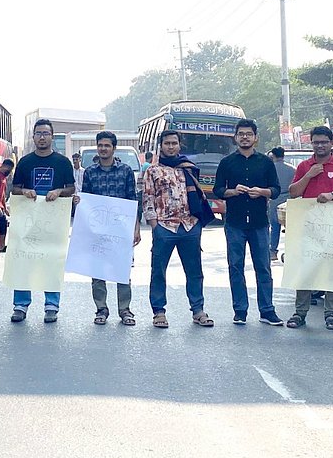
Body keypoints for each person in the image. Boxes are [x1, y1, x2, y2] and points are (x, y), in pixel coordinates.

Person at [213, 119, 282, 326]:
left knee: (263, 267)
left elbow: (276, 189)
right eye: (241, 134)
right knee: (236, 266)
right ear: (235, 138)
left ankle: (267, 310)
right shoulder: (226, 163)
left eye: (248, 134)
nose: (245, 137)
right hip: (234, 222)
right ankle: (240, 310)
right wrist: (232, 192)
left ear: (255, 138)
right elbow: (217, 190)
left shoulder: (265, 162)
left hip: (260, 222)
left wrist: (262, 192)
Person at [287, 125, 333, 331]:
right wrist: (309, 175)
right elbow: (293, 193)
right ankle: (300, 313)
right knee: (305, 268)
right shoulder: (304, 166)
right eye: (316, 142)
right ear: (311, 143)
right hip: (308, 225)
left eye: (324, 142)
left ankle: (331, 313)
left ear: (331, 143)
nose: (320, 145)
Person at [142, 128, 212, 328]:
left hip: (189, 225)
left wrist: (198, 222)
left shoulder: (187, 167)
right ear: (161, 146)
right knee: (158, 271)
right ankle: (159, 312)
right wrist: (154, 224)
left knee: (194, 271)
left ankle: (198, 310)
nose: (171, 147)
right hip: (164, 226)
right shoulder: (153, 171)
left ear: (179, 145)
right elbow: (147, 198)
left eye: (174, 143)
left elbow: (197, 195)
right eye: (167, 144)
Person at [9, 118, 74, 323]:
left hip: (54, 220)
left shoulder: (63, 162)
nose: (42, 137)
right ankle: (20, 305)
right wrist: (25, 191)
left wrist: (59, 191)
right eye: (38, 133)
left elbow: (71, 188)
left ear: (52, 136)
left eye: (46, 133)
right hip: (28, 219)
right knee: (24, 259)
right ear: (33, 136)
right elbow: (15, 188)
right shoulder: (25, 162)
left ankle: (52, 305)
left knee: (52, 259)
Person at [79, 130, 141, 326]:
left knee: (122, 271)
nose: (103, 149)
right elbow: (87, 202)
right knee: (98, 271)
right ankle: (101, 309)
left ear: (114, 148)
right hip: (97, 229)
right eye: (100, 145)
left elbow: (132, 199)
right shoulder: (90, 172)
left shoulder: (125, 171)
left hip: (120, 229)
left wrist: (136, 227)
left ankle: (125, 310)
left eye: (107, 145)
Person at [267, 146, 294, 262]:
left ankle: (273, 251)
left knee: (274, 227)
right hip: (289, 200)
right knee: (291, 227)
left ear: (273, 155)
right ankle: (290, 251)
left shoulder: (269, 169)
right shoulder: (293, 169)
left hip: (274, 199)